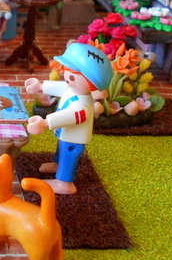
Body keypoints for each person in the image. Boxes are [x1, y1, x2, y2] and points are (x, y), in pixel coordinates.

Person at [24, 42, 113, 195]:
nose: (66, 77)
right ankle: (57, 165)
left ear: (90, 83)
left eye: (72, 75)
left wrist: (45, 122)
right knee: (61, 151)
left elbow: (68, 116)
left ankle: (64, 183)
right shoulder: (72, 88)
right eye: (66, 71)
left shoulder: (82, 106)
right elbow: (61, 87)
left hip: (74, 138)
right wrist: (40, 86)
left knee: (68, 156)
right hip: (66, 134)